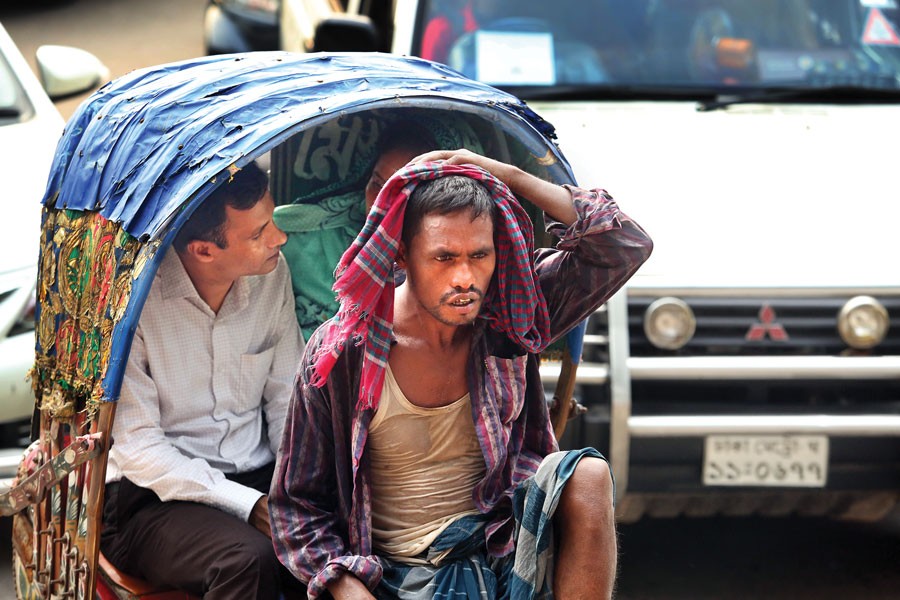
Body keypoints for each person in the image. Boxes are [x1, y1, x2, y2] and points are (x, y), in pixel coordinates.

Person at [269, 149, 653, 599]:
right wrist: (344, 584)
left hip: (504, 544)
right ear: (402, 255)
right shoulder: (344, 351)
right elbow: (297, 506)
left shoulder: (509, 317)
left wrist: (505, 175)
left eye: (479, 255)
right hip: (399, 572)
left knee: (587, 475)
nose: (465, 277)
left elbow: (623, 244)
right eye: (444, 258)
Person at [100, 161, 305, 599]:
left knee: (343, 529)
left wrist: (300, 487)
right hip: (152, 500)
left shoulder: (272, 274)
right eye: (258, 233)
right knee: (250, 562)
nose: (279, 239)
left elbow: (288, 398)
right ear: (203, 250)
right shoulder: (135, 304)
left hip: (260, 475)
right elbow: (139, 449)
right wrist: (248, 506)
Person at [274, 120, 438, 340]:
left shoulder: (446, 266)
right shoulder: (305, 238)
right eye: (377, 184)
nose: (380, 201)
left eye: (400, 191)